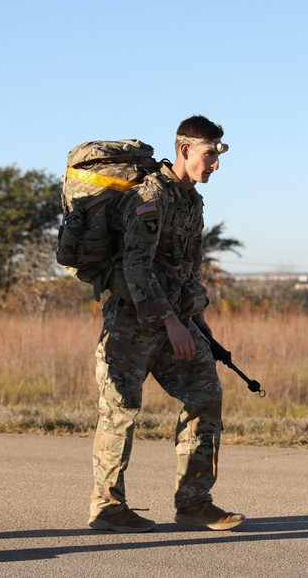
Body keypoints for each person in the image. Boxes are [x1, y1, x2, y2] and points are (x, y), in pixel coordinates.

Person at [88, 115, 244, 533]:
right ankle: (107, 508)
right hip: (132, 323)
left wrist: (199, 323)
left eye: (218, 155)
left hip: (177, 319)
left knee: (206, 394)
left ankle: (193, 503)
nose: (214, 164)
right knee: (120, 411)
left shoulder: (192, 201)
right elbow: (136, 269)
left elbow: (188, 268)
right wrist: (173, 323)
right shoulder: (151, 195)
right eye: (209, 154)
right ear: (185, 150)